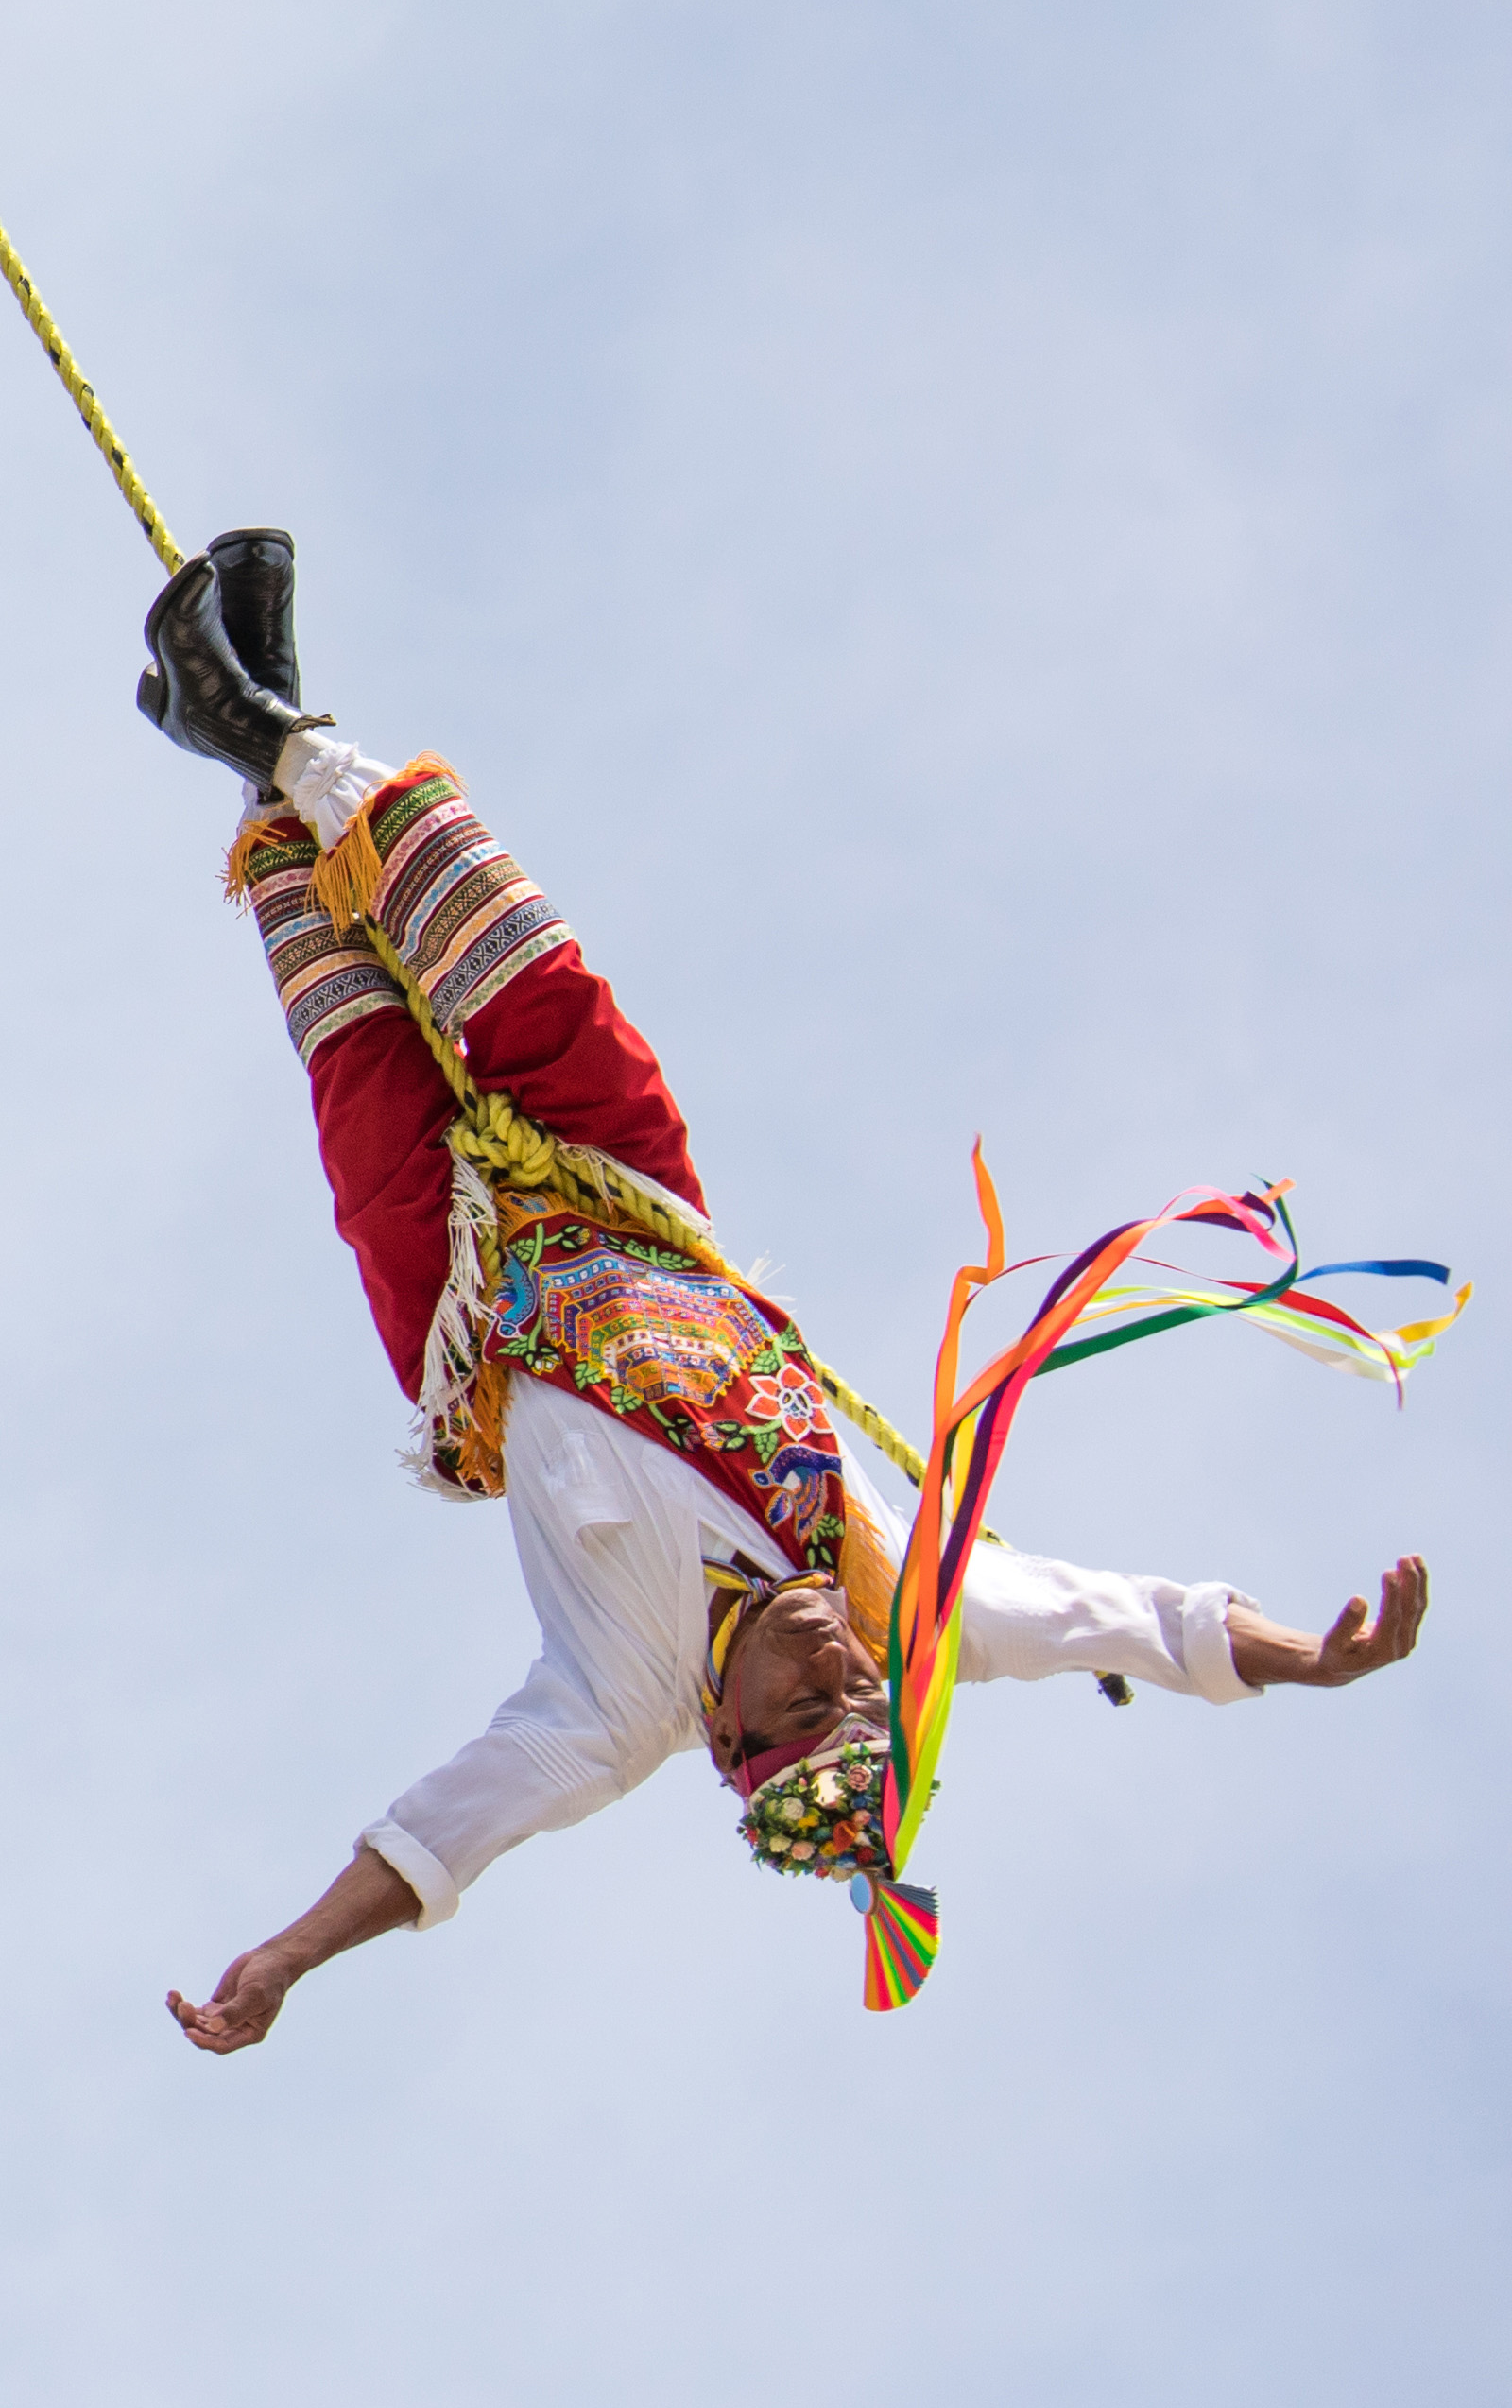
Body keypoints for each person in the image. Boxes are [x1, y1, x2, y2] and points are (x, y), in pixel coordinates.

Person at [129, 529, 1428, 2053]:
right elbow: (1122, 1621)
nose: (843, 1668)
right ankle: (272, 725)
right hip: (641, 1214)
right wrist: (1315, 1660)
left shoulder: (612, 1715)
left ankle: (254, 746)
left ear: (729, 1734)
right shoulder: (896, 1600)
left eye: (813, 1709)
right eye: (861, 1697)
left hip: (466, 1308)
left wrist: (287, 1959)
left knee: (355, 1040)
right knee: (539, 985)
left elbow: (441, 1838)